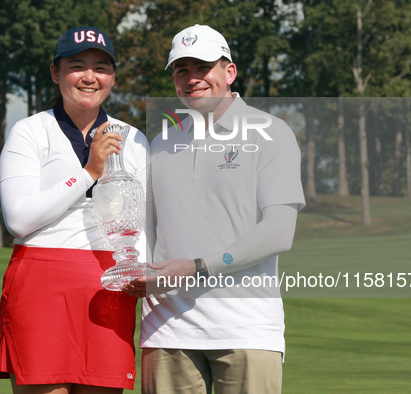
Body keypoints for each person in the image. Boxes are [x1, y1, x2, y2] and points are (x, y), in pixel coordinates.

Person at [123, 25, 306, 394]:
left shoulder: (270, 132)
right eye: (182, 69)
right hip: (166, 330)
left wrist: (197, 267)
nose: (192, 79)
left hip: (246, 329)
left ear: (229, 72)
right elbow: (149, 229)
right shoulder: (161, 142)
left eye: (203, 66)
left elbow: (279, 231)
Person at [0, 26, 151, 394]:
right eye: (77, 65)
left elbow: (144, 224)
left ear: (112, 76)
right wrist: (88, 173)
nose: (90, 76)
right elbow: (18, 220)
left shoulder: (133, 138)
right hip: (40, 282)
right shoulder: (30, 131)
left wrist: (143, 273)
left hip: (111, 284)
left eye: (101, 66)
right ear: (55, 72)